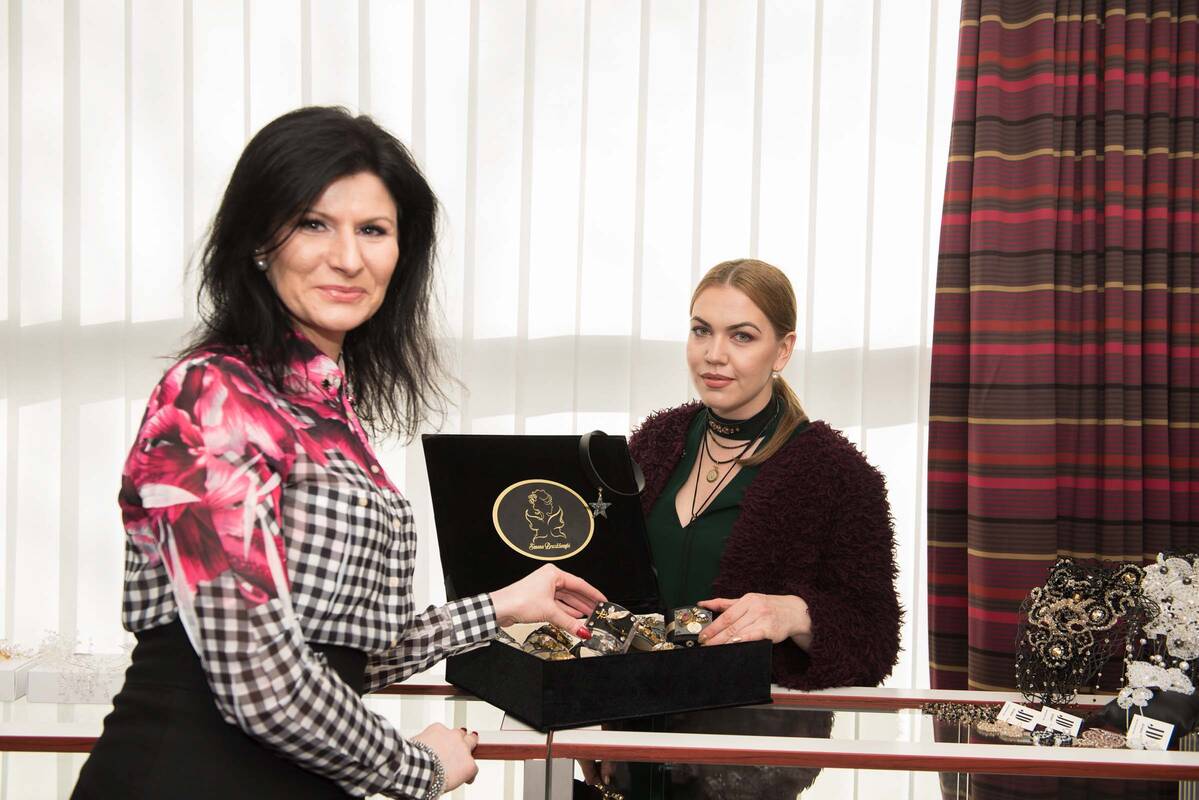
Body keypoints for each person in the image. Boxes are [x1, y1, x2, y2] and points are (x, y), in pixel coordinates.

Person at [72, 106, 604, 800]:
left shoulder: (327, 408)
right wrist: (417, 766)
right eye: (314, 223)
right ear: (258, 239)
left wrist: (502, 606)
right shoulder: (213, 395)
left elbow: (344, 652)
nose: (349, 257)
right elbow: (258, 677)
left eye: (373, 230)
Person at [584, 258, 901, 799]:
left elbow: (875, 637)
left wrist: (794, 613)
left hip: (751, 753)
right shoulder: (653, 444)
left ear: (783, 350)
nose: (714, 354)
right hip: (636, 734)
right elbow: (608, 598)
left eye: (742, 336)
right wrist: (587, 718)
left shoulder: (837, 473)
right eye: (701, 330)